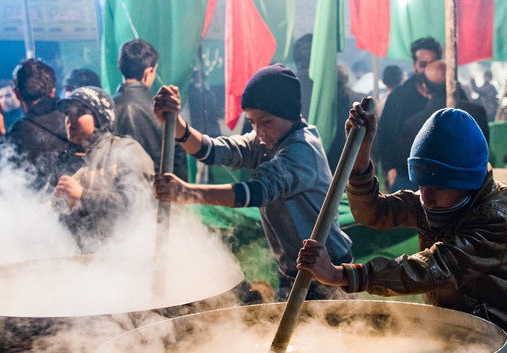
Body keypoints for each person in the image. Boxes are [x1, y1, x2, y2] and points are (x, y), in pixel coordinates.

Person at [297, 105, 507, 353]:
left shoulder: (493, 219)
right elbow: (373, 212)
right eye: (421, 185)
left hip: (505, 351)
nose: (425, 196)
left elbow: (429, 269)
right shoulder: (441, 198)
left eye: (435, 187)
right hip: (456, 341)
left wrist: (340, 275)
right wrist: (362, 150)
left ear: (467, 181)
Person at [152, 64, 353, 301]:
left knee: (333, 335)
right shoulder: (264, 141)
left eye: (265, 122)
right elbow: (214, 151)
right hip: (293, 269)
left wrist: (187, 192)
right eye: (252, 122)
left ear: (288, 114)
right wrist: (178, 126)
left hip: (328, 268)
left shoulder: (302, 148)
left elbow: (257, 192)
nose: (258, 131)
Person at [54, 86, 155, 253]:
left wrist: (83, 195)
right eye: (67, 113)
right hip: (80, 261)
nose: (70, 119)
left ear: (101, 117)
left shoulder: (126, 150)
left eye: (79, 112)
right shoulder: (65, 160)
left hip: (123, 255)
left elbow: (138, 204)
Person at [387, 60, 489, 192]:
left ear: (424, 88)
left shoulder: (413, 124)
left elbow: (404, 167)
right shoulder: (478, 113)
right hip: (474, 192)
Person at [0, 59, 83, 190]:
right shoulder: (74, 117)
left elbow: (6, 171)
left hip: (39, 204)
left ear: (17, 93)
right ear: (53, 91)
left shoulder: (21, 131)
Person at [113, 39, 188, 180]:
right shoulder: (165, 111)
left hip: (117, 193)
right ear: (148, 72)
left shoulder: (107, 109)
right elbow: (178, 160)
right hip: (156, 194)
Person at [375, 37, 442, 188]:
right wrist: (390, 169)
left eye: (432, 64)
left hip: (443, 175)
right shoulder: (398, 97)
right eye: (423, 65)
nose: (427, 70)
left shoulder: (453, 94)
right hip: (406, 177)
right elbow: (386, 134)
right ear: (415, 65)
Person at [326, 65, 366, 173]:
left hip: (331, 158)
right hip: (357, 158)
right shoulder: (361, 100)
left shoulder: (324, 103)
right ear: (347, 79)